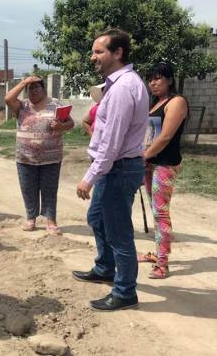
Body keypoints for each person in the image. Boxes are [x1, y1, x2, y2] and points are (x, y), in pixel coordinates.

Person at [72, 28, 149, 311]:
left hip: (118, 168)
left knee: (119, 233)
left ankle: (125, 291)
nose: (93, 57)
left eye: (99, 51)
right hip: (114, 167)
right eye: (93, 51)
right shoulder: (117, 85)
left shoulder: (124, 87)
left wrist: (89, 177)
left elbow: (112, 142)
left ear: (118, 53)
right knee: (96, 217)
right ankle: (105, 267)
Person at [4, 75, 74, 234]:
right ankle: (30, 218)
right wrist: (23, 82)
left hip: (51, 157)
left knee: (50, 189)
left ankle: (51, 221)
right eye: (30, 88)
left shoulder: (55, 104)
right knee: (28, 188)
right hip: (25, 157)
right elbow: (8, 99)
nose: (33, 91)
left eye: (36, 87)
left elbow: (70, 123)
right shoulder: (21, 106)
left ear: (43, 89)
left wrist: (61, 126)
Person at [138, 63, 188, 279]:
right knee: (155, 210)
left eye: (159, 78)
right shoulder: (155, 103)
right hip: (150, 164)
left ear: (169, 80)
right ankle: (158, 253)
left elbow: (165, 136)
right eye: (150, 79)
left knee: (160, 213)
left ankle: (162, 263)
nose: (154, 83)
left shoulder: (176, 102)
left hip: (165, 164)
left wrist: (144, 156)